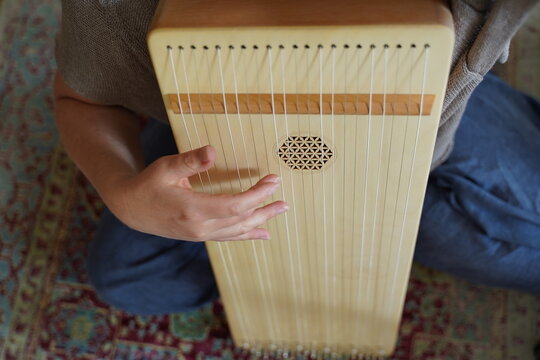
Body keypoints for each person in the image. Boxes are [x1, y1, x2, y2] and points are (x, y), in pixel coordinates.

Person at [54, 0, 540, 316]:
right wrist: (123, 193)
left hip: (427, 109)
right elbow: (79, 100)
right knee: (126, 277)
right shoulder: (114, 10)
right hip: (223, 125)